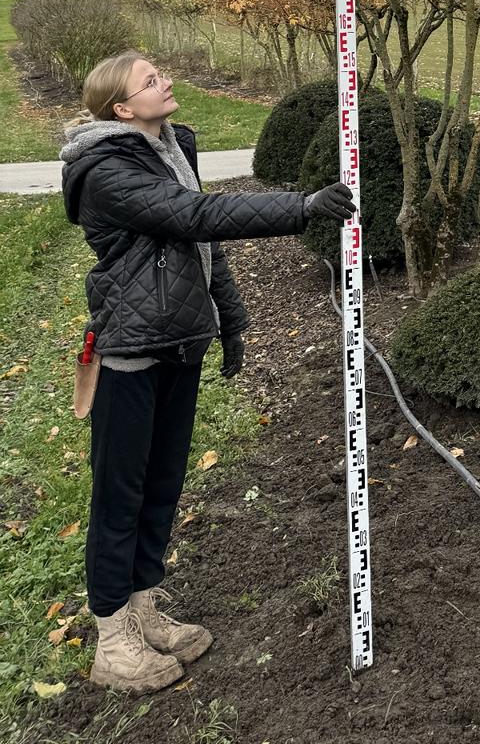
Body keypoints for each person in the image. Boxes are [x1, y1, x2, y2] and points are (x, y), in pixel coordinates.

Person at [60, 49, 355, 695]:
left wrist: (232, 320)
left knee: (162, 486)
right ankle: (112, 640)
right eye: (150, 80)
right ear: (121, 107)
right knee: (121, 497)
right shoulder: (105, 168)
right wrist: (302, 207)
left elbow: (201, 247)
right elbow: (192, 216)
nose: (165, 81)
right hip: (130, 353)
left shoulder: (168, 147)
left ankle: (143, 611)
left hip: (181, 343)